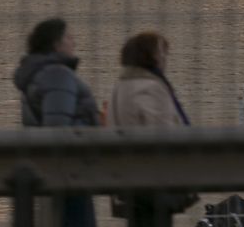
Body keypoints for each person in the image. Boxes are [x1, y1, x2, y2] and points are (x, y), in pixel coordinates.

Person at [14, 17, 100, 227]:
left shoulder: (36, 76)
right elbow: (58, 129)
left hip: (50, 171)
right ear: (56, 44)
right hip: (71, 170)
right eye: (69, 37)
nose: (74, 42)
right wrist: (93, 126)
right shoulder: (58, 75)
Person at [106, 31, 196, 227]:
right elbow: (165, 134)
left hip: (127, 177)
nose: (166, 58)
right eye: (163, 52)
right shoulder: (151, 87)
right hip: (154, 180)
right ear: (151, 55)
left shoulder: (121, 85)